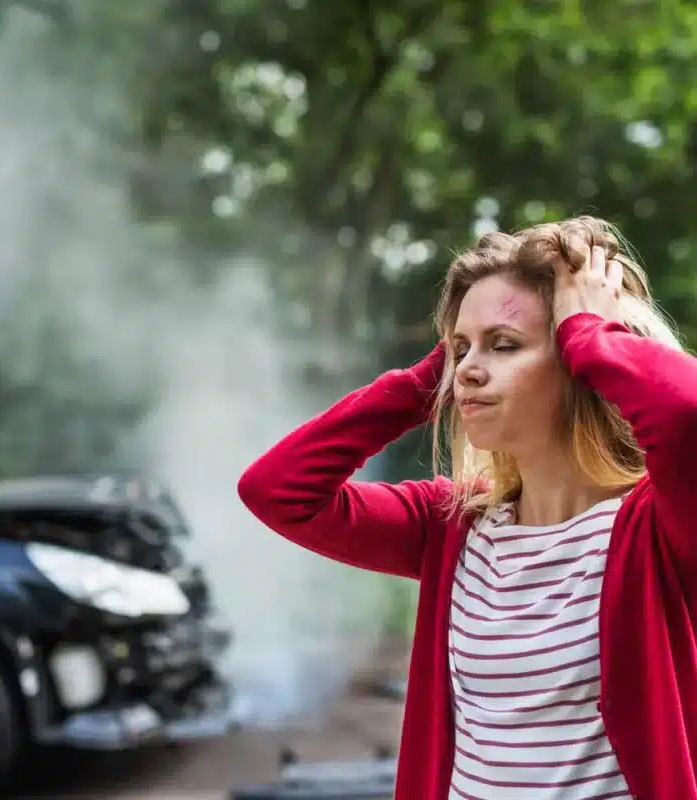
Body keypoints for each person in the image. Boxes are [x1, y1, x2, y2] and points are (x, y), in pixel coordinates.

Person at [237, 216, 697, 800]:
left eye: (504, 345)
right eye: (459, 349)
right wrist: (426, 379)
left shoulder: (658, 529)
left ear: (581, 366)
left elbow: (685, 414)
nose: (469, 371)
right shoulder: (452, 527)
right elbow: (276, 490)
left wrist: (590, 334)